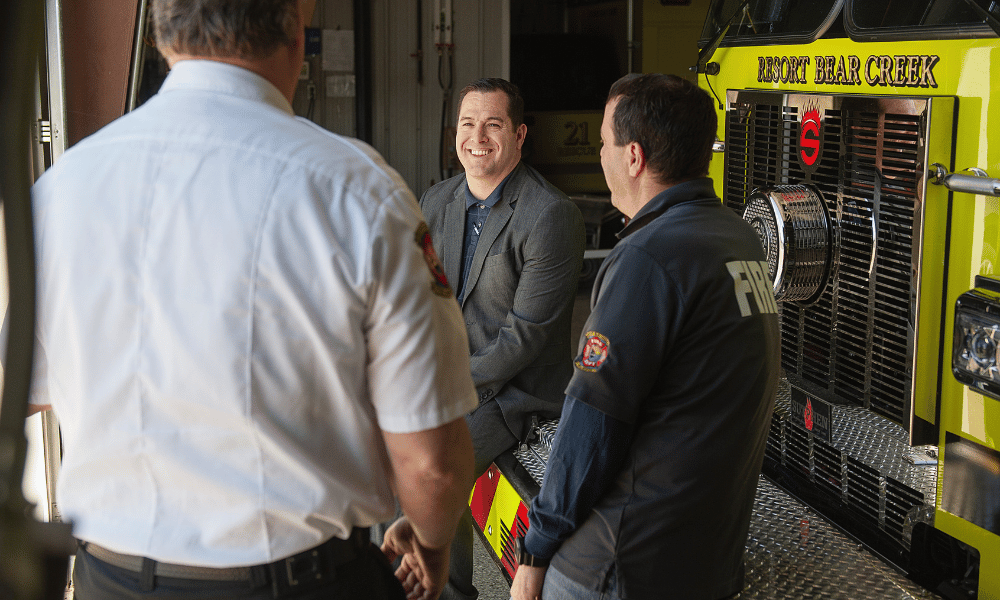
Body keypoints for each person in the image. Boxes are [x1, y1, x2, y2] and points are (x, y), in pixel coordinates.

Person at [27, 1, 476, 598]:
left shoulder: (62, 193)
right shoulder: (359, 196)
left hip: (110, 579)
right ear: (297, 30)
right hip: (297, 583)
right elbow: (431, 466)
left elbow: (18, 388)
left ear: (163, 37)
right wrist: (432, 543)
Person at [509, 73, 781, 600]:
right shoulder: (736, 237)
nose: (602, 157)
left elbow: (593, 422)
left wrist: (537, 548)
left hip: (624, 566)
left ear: (632, 156)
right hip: (705, 562)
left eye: (606, 143)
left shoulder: (649, 257)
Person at [417, 78, 585, 600]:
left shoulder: (549, 215)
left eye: (493, 124)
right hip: (451, 380)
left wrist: (446, 385)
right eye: (468, 124)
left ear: (519, 134)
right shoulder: (438, 199)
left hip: (515, 392)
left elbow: (524, 336)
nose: (477, 136)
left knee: (433, 467)